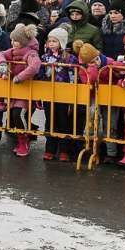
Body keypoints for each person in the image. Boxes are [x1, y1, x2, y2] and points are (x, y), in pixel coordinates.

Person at [37, 26, 78, 162]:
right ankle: (50, 149)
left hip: (64, 93)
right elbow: (41, 74)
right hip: (49, 92)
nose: (51, 43)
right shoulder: (44, 57)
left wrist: (72, 90)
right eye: (50, 41)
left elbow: (73, 75)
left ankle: (64, 150)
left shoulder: (69, 58)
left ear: (62, 42)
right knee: (50, 120)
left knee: (63, 121)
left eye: (55, 41)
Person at [0, 23, 41, 158]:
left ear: (23, 41)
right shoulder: (12, 51)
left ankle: (24, 140)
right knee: (13, 116)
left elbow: (34, 66)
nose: (13, 43)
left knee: (18, 114)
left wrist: (19, 77)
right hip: (15, 92)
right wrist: (2, 65)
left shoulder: (31, 53)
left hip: (26, 92)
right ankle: (20, 139)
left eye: (15, 40)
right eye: (12, 40)